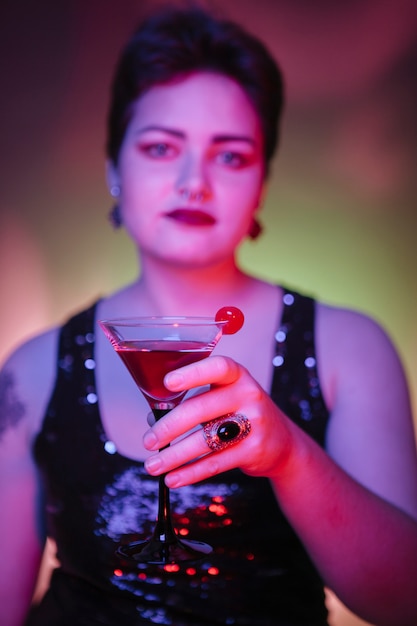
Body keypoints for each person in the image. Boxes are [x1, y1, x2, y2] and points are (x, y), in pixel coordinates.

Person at [1, 6, 417, 626]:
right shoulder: (34, 370)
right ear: (115, 168)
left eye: (230, 156)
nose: (194, 181)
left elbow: (405, 604)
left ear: (262, 185)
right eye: (161, 147)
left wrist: (290, 456)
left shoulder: (347, 347)